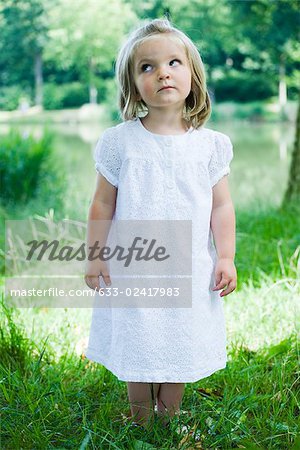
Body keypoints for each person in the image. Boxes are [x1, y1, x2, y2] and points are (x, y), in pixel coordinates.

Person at [84, 18, 237, 430]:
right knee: (138, 337)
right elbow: (102, 204)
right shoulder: (120, 142)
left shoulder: (210, 145)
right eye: (147, 67)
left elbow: (221, 207)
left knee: (180, 338)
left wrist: (226, 256)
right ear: (133, 85)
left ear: (193, 75)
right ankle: (140, 420)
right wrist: (95, 258)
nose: (163, 72)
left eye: (173, 62)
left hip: (189, 266)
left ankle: (169, 416)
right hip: (134, 267)